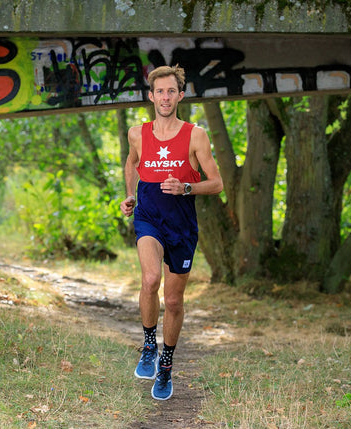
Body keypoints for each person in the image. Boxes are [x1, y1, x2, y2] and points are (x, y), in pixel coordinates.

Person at [120, 65, 223, 401]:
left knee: (175, 300)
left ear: (180, 95)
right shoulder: (138, 133)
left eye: (170, 92)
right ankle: (149, 345)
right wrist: (130, 194)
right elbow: (132, 163)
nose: (165, 98)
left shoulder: (196, 135)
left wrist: (187, 187)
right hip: (148, 215)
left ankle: (165, 364)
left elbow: (217, 183)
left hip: (181, 222)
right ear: (151, 97)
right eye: (159, 92)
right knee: (150, 280)